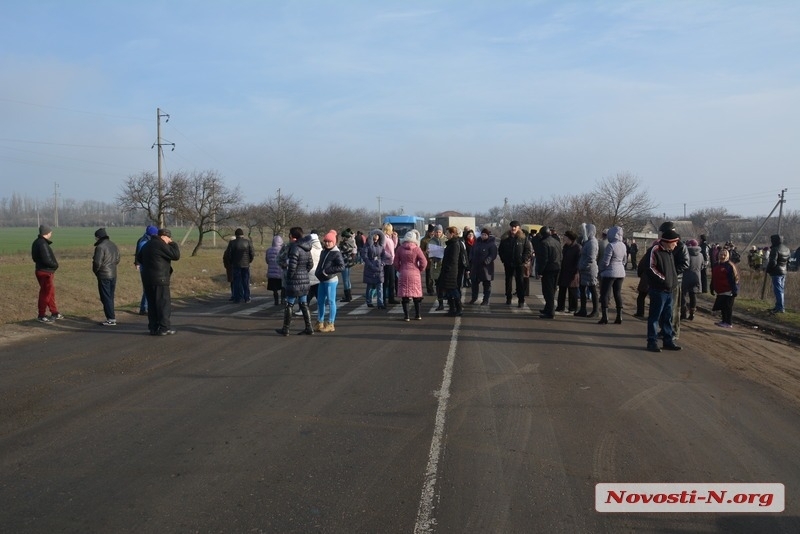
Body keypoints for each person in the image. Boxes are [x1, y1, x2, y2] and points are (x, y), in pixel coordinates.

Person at [136, 228, 181, 336]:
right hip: (160, 279)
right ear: (163, 236)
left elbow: (139, 258)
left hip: (147, 279)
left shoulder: (147, 244)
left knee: (152, 305)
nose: (169, 240)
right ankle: (164, 328)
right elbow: (176, 255)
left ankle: (153, 327)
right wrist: (173, 243)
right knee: (163, 304)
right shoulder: (160, 244)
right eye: (168, 238)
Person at [645, 229, 682, 352]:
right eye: (675, 242)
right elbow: (650, 268)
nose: (676, 245)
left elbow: (672, 270)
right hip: (658, 290)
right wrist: (664, 279)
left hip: (670, 290)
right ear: (668, 241)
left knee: (668, 317)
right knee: (655, 317)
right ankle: (652, 341)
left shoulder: (669, 252)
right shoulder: (655, 250)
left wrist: (672, 281)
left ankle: (668, 341)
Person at [276, 227, 314, 336]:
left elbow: (292, 266)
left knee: (289, 303)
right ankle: (309, 327)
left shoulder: (294, 248)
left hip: (294, 281)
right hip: (304, 279)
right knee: (304, 304)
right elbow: (310, 264)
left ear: (292, 237)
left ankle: (286, 328)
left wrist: (290, 276)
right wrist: (303, 272)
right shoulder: (307, 248)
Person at [394, 230, 428, 321]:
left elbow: (396, 262)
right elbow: (424, 262)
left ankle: (406, 316)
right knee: (416, 294)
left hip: (403, 272)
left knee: (405, 295)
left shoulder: (400, 249)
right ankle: (418, 315)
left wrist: (399, 269)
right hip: (415, 272)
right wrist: (420, 269)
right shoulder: (417, 249)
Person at [31, 224, 62, 323]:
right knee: (45, 294)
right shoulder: (43, 244)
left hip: (41, 270)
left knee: (50, 292)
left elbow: (35, 258)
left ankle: (54, 312)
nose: (51, 233)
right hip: (46, 272)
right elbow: (47, 259)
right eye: (50, 232)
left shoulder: (36, 242)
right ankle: (41, 315)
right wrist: (55, 265)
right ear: (47, 233)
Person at [315, 230, 345, 332]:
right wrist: (318, 272)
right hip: (322, 280)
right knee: (320, 301)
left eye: (329, 241)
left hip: (330, 280)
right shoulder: (324, 252)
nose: (327, 243)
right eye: (326, 241)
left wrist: (327, 271)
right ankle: (320, 321)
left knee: (331, 302)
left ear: (334, 242)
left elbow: (341, 266)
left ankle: (331, 323)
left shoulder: (336, 253)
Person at [498, 221, 533, 307]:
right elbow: (500, 250)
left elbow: (528, 250)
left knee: (520, 282)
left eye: (515, 227)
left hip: (519, 264)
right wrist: (504, 259)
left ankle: (521, 300)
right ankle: (508, 298)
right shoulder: (505, 238)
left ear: (518, 228)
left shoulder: (523, 238)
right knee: (508, 281)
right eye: (512, 226)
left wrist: (523, 259)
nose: (513, 228)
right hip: (508, 263)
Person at [597, 226, 627, 325]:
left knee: (605, 293)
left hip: (610, 272)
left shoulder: (611, 245)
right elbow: (624, 260)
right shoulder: (623, 245)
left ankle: (605, 317)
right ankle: (619, 316)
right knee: (617, 293)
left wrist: (601, 269)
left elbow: (606, 261)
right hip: (621, 272)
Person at [92, 228, 121, 326]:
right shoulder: (113, 245)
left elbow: (97, 262)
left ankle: (111, 318)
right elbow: (117, 259)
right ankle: (112, 316)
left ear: (98, 237)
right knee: (110, 296)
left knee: (105, 297)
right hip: (113, 273)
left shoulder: (100, 247)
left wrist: (96, 271)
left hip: (104, 274)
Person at [223, 228, 255, 303]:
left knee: (236, 282)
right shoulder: (247, 242)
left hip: (236, 265)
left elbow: (228, 254)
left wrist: (231, 262)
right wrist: (249, 261)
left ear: (236, 235)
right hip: (246, 265)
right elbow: (252, 253)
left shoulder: (232, 243)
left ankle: (237, 298)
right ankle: (247, 298)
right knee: (245, 282)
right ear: (242, 235)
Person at [536, 225, 561, 319]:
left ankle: (550, 312)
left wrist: (540, 271)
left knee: (548, 291)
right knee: (552, 289)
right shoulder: (556, 241)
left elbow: (544, 259)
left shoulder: (544, 243)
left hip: (548, 269)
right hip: (557, 267)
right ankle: (547, 308)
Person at [468, 228, 498, 305]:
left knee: (486, 284)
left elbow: (493, 254)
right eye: (482, 234)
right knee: (474, 283)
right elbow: (472, 251)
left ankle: (485, 299)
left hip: (486, 268)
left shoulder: (491, 244)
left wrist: (487, 261)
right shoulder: (477, 242)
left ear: (488, 235)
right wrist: (471, 259)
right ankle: (474, 298)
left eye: (485, 235)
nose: (483, 236)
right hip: (475, 267)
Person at [711, 248, 739, 328]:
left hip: (728, 290)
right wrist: (712, 287)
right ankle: (724, 321)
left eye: (724, 255)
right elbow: (714, 277)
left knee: (728, 307)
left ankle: (728, 322)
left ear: (727, 256)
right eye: (721, 254)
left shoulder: (729, 266)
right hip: (720, 290)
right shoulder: (716, 265)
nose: (722, 256)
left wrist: (735, 290)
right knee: (722, 306)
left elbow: (734, 279)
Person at [575, 223, 599, 318]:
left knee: (592, 290)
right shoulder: (588, 242)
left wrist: (582, 266)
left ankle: (595, 310)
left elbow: (591, 258)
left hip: (589, 270)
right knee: (582, 290)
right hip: (584, 270)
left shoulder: (592, 243)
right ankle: (583, 309)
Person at [439, 226, 464, 317]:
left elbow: (453, 259)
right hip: (447, 269)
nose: (446, 235)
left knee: (453, 289)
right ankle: (452, 309)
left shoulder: (455, 244)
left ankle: (459, 308)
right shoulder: (450, 244)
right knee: (448, 290)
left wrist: (447, 268)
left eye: (447, 233)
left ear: (452, 234)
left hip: (451, 271)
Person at [362, 229, 389, 309]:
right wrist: (369, 264)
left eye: (377, 235)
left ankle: (380, 303)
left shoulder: (381, 245)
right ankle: (369, 301)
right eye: (375, 235)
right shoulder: (367, 245)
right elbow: (364, 256)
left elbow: (384, 255)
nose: (376, 237)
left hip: (379, 267)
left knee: (379, 285)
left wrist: (382, 263)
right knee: (370, 286)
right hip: (370, 267)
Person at [134, 225, 158, 315]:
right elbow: (139, 254)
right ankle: (144, 308)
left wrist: (136, 263)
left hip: (146, 267)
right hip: (146, 267)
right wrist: (137, 263)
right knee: (147, 288)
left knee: (148, 288)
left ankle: (146, 307)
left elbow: (137, 254)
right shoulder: (144, 242)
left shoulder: (143, 239)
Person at [556, 230, 580, 314]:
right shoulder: (565, 246)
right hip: (564, 271)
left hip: (573, 272)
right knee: (562, 290)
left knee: (572, 291)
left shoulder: (577, 248)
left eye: (565, 237)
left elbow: (578, 261)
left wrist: (576, 271)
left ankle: (573, 307)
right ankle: (560, 306)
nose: (563, 238)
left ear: (570, 238)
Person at [766, 233, 791, 314]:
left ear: (774, 240)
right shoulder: (787, 249)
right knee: (781, 289)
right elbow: (788, 261)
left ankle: (780, 307)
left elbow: (773, 262)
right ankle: (778, 306)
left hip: (776, 272)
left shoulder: (775, 249)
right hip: (784, 271)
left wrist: (768, 269)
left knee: (778, 290)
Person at [681, 239, 703, 321]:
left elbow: (684, 265)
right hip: (696, 276)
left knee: (682, 295)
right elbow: (702, 266)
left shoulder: (686, 254)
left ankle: (683, 312)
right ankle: (692, 313)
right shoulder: (700, 255)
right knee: (693, 295)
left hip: (686, 276)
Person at [427, 225, 447, 310]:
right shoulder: (431, 241)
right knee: (438, 285)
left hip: (445, 265)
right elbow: (428, 252)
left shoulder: (446, 240)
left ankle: (448, 300)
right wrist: (428, 253)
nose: (438, 233)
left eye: (439, 232)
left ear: (442, 232)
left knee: (445, 285)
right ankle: (440, 303)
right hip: (435, 265)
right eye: (436, 232)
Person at [338, 228, 357, 302]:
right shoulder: (352, 242)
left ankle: (347, 296)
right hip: (349, 262)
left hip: (345, 263)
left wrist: (340, 246)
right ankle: (349, 295)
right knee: (348, 280)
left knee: (345, 280)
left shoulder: (345, 244)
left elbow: (341, 251)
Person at [382, 223, 399, 305]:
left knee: (392, 281)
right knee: (386, 282)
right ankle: (384, 299)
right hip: (386, 263)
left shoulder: (389, 238)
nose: (392, 231)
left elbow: (394, 246)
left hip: (391, 262)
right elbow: (382, 250)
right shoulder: (384, 238)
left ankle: (391, 298)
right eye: (391, 229)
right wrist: (390, 256)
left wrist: (395, 238)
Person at [265, 235, 284, 305]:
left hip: (272, 273)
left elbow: (267, 261)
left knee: (274, 288)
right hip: (281, 272)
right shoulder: (283, 250)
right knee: (283, 287)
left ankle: (276, 300)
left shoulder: (268, 250)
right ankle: (282, 299)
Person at [420, 224, 436, 295]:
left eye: (433, 232)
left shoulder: (436, 238)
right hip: (428, 260)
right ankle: (430, 290)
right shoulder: (424, 240)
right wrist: (425, 252)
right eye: (430, 232)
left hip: (436, 260)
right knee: (429, 276)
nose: (432, 233)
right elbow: (421, 250)